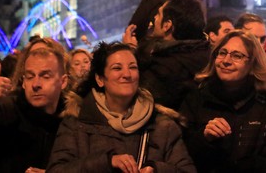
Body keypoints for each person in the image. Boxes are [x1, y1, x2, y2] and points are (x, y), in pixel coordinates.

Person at [47, 42, 195, 172]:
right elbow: (57, 169)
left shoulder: (162, 125)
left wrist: (156, 169)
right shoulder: (77, 122)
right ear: (100, 79)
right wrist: (106, 162)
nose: (127, 74)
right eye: (117, 68)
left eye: (132, 67)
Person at [179, 30, 266, 172]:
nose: (226, 61)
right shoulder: (196, 98)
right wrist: (204, 138)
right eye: (222, 53)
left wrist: (242, 163)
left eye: (237, 56)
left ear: (252, 63)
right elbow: (179, 155)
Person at [123, 0, 211, 110]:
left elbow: (136, 99)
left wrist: (129, 51)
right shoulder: (197, 55)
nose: (153, 17)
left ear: (167, 26)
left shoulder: (163, 67)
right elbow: (157, 8)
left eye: (158, 15)